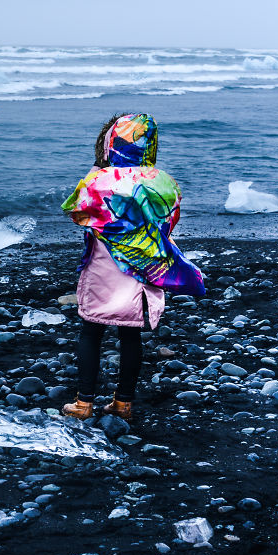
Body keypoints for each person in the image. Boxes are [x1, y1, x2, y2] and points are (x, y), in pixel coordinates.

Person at [59, 113, 205, 421]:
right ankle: (123, 403)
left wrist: (98, 171)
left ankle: (84, 403)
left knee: (91, 331)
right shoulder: (164, 182)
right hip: (142, 269)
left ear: (111, 142)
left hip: (103, 267)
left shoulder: (97, 181)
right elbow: (168, 222)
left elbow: (76, 211)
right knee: (130, 335)